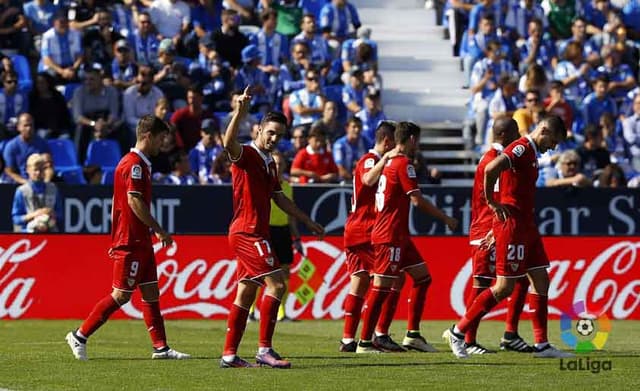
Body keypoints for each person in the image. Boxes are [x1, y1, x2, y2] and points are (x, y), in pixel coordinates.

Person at [443, 115, 574, 359]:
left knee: (541, 279)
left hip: (526, 225)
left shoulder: (532, 152)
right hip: (512, 225)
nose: (554, 147)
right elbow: (492, 168)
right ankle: (458, 332)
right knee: (504, 286)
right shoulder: (522, 148)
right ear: (543, 130)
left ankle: (542, 345)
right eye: (553, 141)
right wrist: (492, 203)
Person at [65, 115, 190, 361]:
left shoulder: (140, 163)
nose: (162, 144)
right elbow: (134, 200)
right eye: (161, 138)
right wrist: (159, 229)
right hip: (130, 240)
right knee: (121, 295)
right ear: (148, 136)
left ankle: (161, 348)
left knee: (151, 294)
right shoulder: (133, 164)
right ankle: (79, 335)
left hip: (140, 240)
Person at [220, 87, 324, 368]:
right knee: (277, 284)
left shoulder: (268, 162)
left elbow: (279, 198)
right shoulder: (247, 155)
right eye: (270, 133)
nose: (274, 139)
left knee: (246, 292)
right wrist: (239, 112)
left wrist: (307, 221)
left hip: (256, 232)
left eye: (279, 135)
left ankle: (229, 355)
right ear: (259, 130)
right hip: (247, 231)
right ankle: (264, 350)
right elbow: (228, 143)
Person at [357, 121, 458, 353]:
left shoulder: (390, 162)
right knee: (381, 286)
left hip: (399, 235)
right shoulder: (403, 163)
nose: (418, 145)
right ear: (412, 139)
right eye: (418, 141)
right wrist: (446, 219)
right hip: (389, 234)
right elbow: (417, 200)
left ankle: (412, 334)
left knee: (422, 277)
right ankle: (365, 341)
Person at [465, 118, 533, 355]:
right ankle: (467, 339)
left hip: (495, 228)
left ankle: (510, 334)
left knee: (521, 279)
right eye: (515, 131)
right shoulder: (493, 161)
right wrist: (493, 230)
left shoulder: (499, 159)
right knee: (482, 283)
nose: (519, 135)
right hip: (488, 230)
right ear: (504, 134)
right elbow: (495, 202)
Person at [340, 121, 403, 353]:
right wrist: (386, 159)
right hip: (367, 229)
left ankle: (348, 339)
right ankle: (378, 335)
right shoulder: (370, 159)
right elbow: (367, 179)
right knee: (392, 280)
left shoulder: (374, 160)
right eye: (395, 144)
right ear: (387, 142)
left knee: (359, 282)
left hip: (358, 228)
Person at [268, 151, 303, 321]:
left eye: (281, 164)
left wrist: (296, 237)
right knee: (262, 273)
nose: (279, 166)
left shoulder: (287, 187)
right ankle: (251, 311)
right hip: (266, 230)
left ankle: (281, 312)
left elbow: (290, 216)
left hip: (283, 231)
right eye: (275, 163)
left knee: (285, 272)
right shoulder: (264, 184)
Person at [11, 153, 62, 233]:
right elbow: (16, 219)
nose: (38, 173)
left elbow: (60, 216)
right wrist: (34, 215)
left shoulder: (53, 189)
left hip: (50, 231)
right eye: (35, 170)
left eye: (41, 170)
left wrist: (51, 214)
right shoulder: (21, 191)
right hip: (28, 234)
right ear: (28, 170)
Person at [3, 113, 50, 185]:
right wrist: (25, 182)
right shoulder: (11, 146)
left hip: (40, 181)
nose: (29, 128)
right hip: (19, 183)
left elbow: (48, 166)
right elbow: (9, 171)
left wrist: (46, 182)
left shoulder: (42, 143)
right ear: (18, 127)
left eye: (31, 125)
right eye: (25, 125)